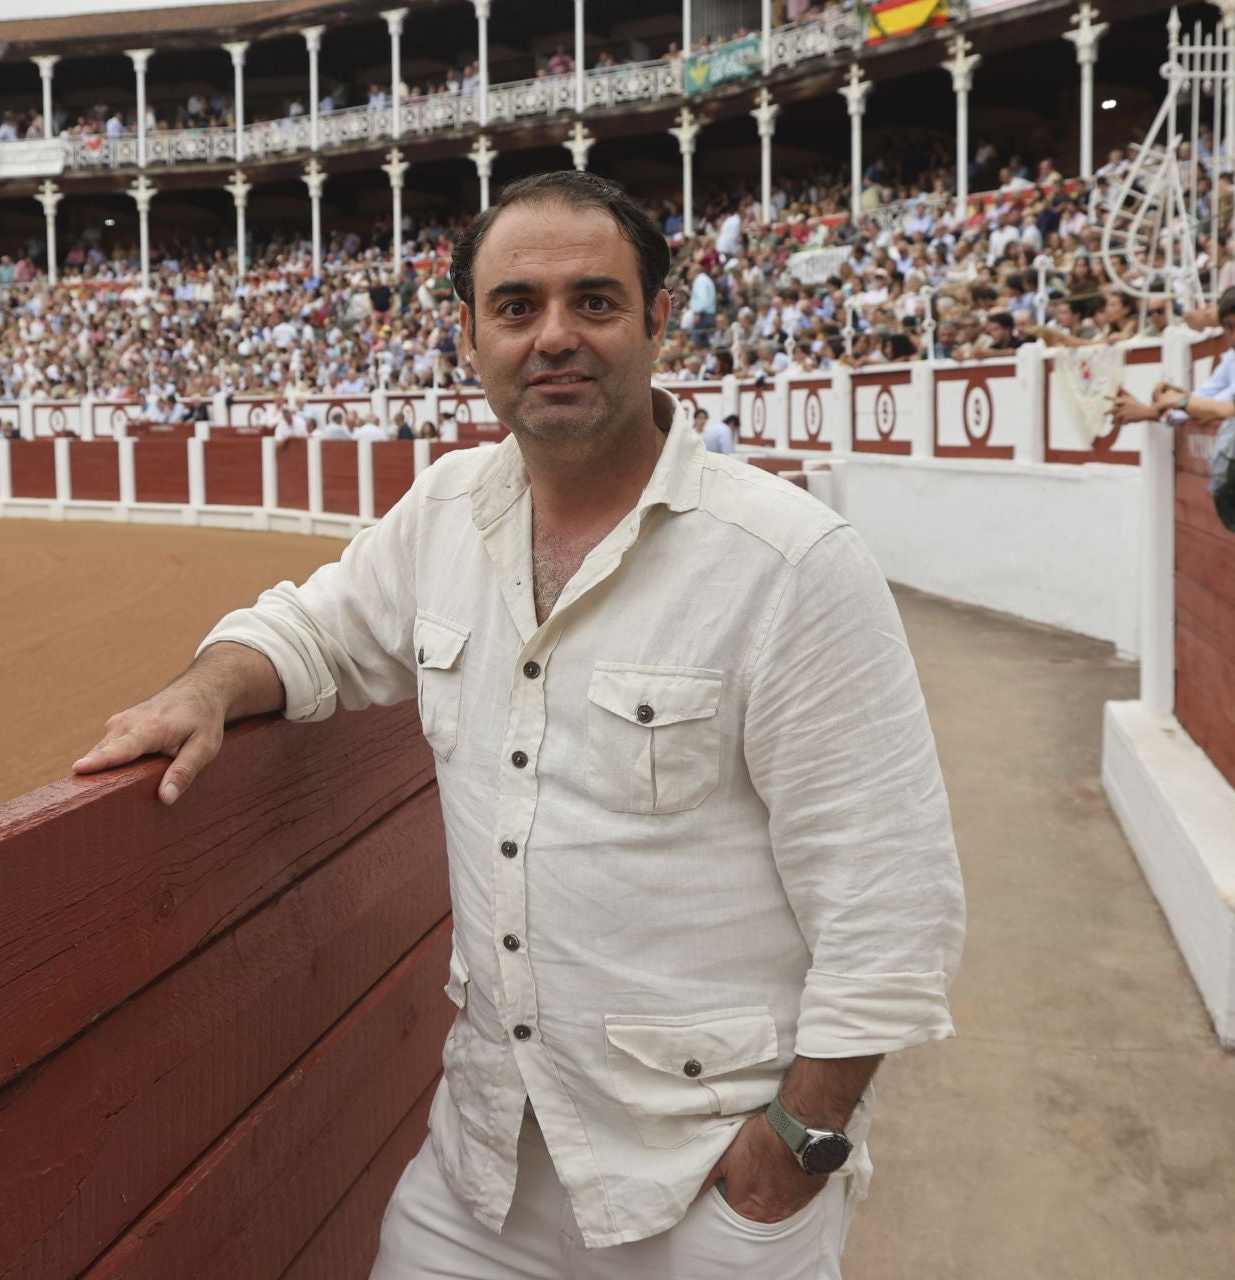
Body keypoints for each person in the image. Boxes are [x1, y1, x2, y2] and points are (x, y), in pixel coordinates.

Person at [73, 170, 963, 1278]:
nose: (554, 336)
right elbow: (310, 629)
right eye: (516, 306)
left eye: (594, 301)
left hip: (705, 1180)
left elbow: (892, 901)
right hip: (485, 1160)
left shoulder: (789, 563)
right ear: (469, 333)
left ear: (657, 320)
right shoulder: (448, 510)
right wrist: (209, 683)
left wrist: (791, 1152)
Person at [1112, 286, 1235, 427]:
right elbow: (1208, 394)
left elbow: (1218, 407)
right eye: (1230, 327)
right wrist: (1177, 401)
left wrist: (1157, 409)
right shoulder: (1233, 357)